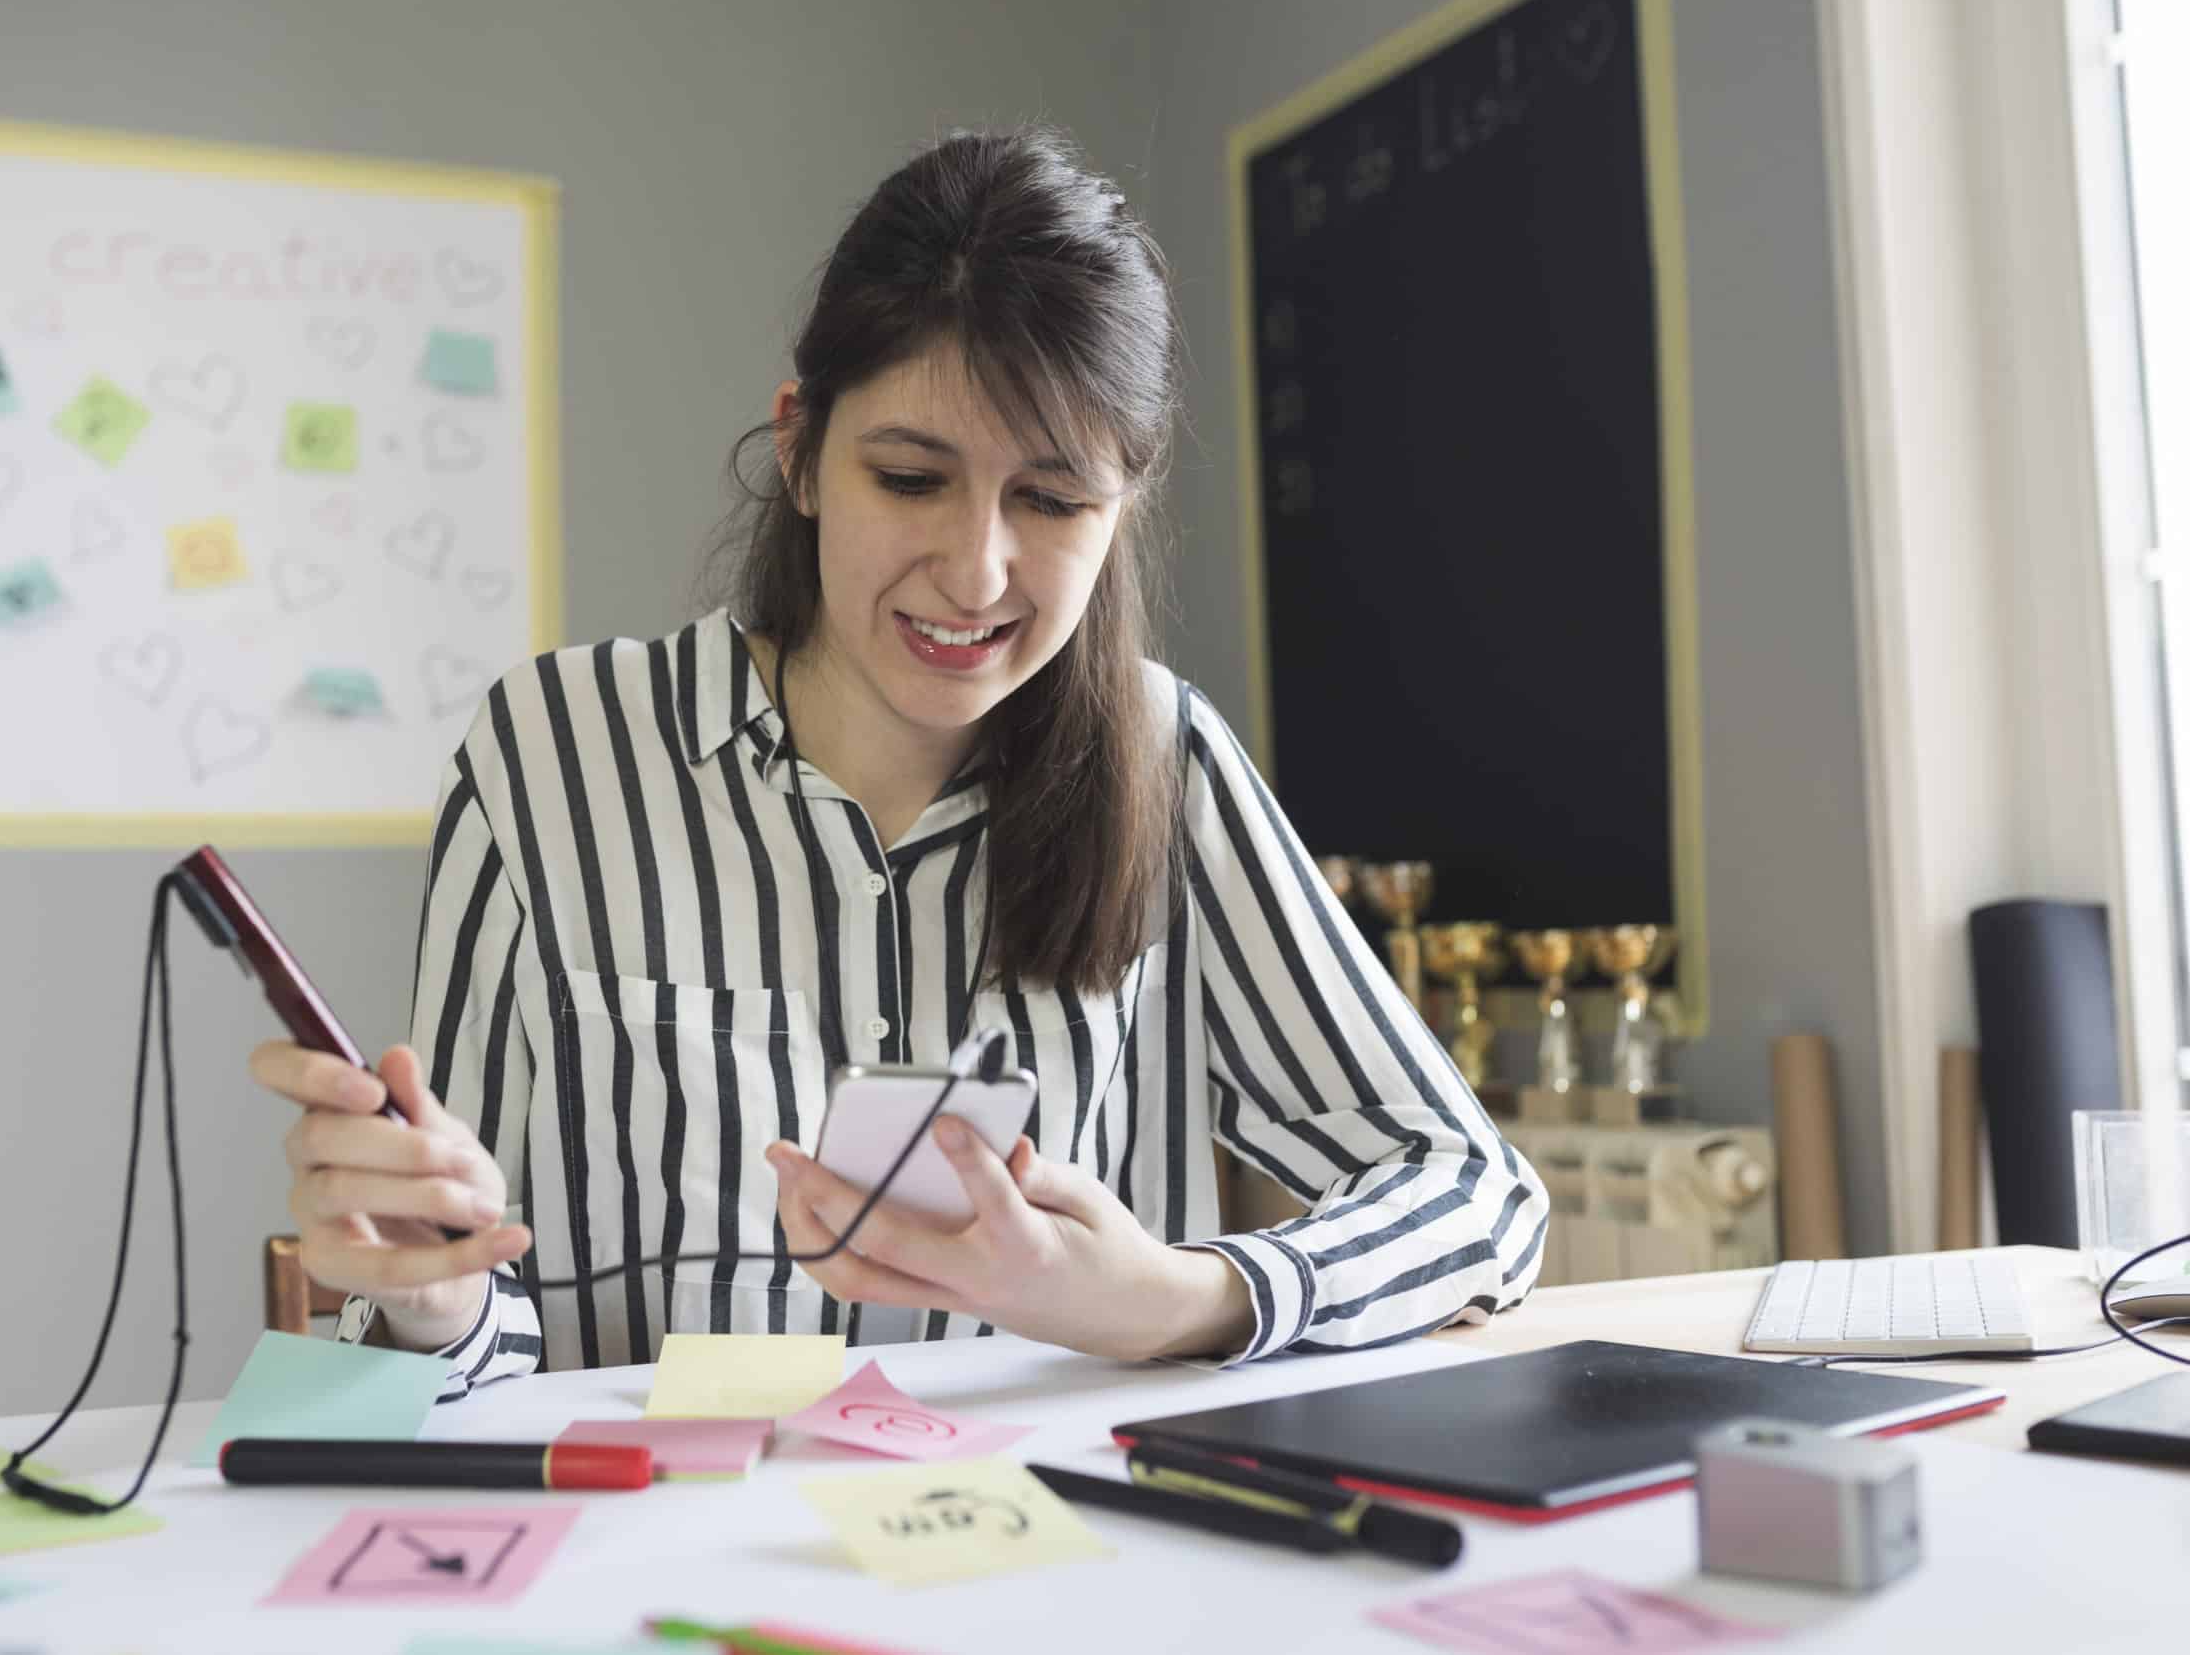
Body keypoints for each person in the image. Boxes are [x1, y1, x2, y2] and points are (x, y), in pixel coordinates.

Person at [251, 124, 1546, 1396]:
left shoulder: (1167, 763)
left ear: (1120, 511)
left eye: (1052, 501)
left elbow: (1479, 1193)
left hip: (1051, 1533)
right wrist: (434, 1301)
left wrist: (1174, 1300)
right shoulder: (553, 757)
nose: (977, 572)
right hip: (661, 1534)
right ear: (803, 452)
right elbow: (462, 1339)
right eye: (913, 479)